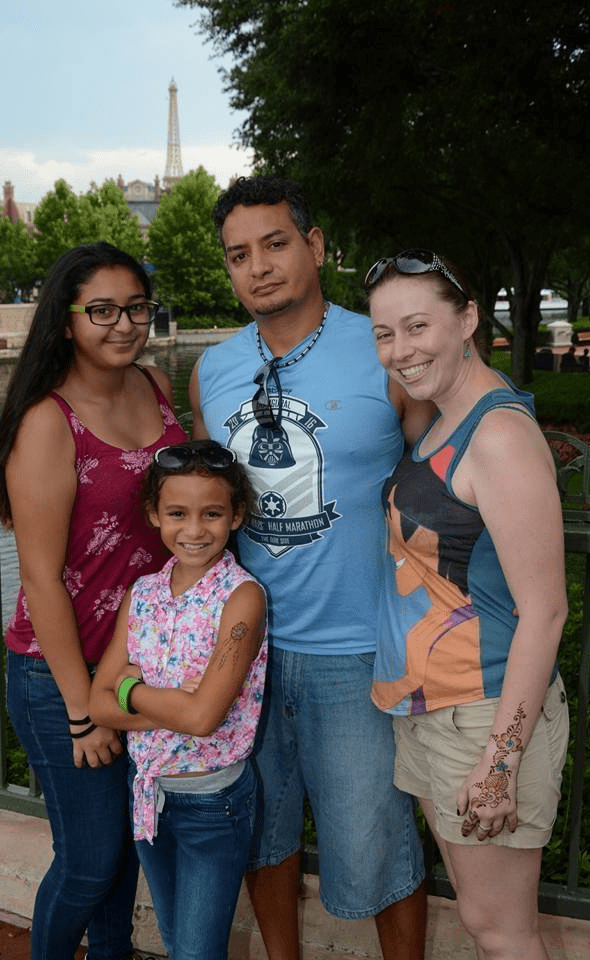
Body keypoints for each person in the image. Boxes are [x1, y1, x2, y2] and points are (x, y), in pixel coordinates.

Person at [189, 176, 430, 960]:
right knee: (261, 836)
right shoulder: (212, 370)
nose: (257, 267)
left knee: (380, 845)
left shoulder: (386, 350)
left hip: (359, 650)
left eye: (275, 244)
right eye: (238, 255)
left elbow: (444, 485)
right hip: (246, 650)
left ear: (315, 245)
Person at [0, 242, 188, 960]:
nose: (123, 324)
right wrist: (81, 710)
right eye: (101, 310)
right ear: (66, 320)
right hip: (63, 674)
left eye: (135, 307)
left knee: (125, 849)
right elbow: (40, 580)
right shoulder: (48, 420)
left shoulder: (154, 384)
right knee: (89, 862)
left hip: (142, 665)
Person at [365, 249, 569, 960]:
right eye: (385, 334)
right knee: (485, 924)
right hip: (433, 710)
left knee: (502, 932)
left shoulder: (499, 436)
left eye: (418, 326)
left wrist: (501, 761)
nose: (401, 350)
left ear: (469, 320)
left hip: (483, 715)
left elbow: (546, 612)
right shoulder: (440, 418)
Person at [89, 439, 267, 960]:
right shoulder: (142, 593)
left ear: (236, 516)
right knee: (177, 943)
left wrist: (130, 690)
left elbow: (203, 717)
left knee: (195, 953)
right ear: (154, 514)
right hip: (148, 794)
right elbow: (97, 705)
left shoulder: (242, 598)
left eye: (212, 514)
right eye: (177, 514)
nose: (194, 530)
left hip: (212, 804)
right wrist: (169, 705)